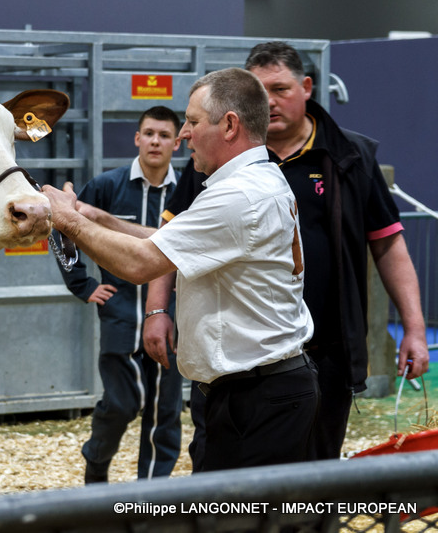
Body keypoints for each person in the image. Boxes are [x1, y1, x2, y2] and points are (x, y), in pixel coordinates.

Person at [145, 41, 430, 467]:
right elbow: (172, 236)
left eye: (279, 89)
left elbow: (388, 242)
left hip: (323, 350)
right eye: (259, 93)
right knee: (220, 476)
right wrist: (156, 310)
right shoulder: (213, 160)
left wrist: (414, 327)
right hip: (234, 362)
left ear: (307, 87)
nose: (270, 102)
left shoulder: (347, 157)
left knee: (313, 474)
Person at [44, 67, 320, 472]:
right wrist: (92, 216)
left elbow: (141, 262)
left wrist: (66, 219)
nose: (182, 135)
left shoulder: (238, 195)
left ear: (229, 126)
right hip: (255, 388)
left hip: (260, 394)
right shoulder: (251, 181)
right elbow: (167, 240)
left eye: (191, 122)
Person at [58, 106, 184, 483]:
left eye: (164, 135)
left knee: (164, 411)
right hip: (121, 314)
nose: (155, 141)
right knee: (121, 404)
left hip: (171, 319)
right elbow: (63, 227)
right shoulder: (107, 185)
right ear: (137, 139)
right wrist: (83, 284)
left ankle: (152, 495)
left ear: (177, 143)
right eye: (149, 133)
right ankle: (96, 461)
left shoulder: (188, 191)